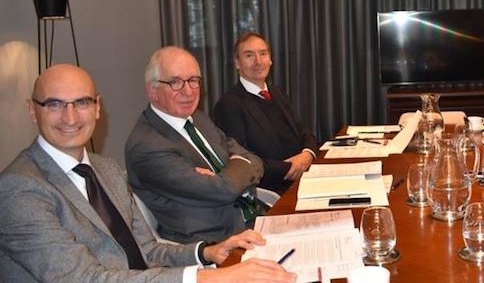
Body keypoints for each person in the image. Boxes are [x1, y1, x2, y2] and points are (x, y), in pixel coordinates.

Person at [0, 64, 296, 283]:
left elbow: (146, 250)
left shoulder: (106, 169)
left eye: (82, 102)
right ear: (32, 110)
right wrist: (210, 278)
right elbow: (82, 278)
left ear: (97, 108)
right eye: (54, 104)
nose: (70, 117)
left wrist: (208, 252)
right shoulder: (19, 188)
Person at [126, 46, 267, 244]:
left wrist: (226, 176)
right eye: (175, 82)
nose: (188, 91)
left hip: (254, 220)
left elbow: (253, 160)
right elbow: (222, 190)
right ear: (152, 91)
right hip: (215, 244)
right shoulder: (146, 146)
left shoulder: (198, 118)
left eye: (193, 80)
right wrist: (233, 172)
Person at [214, 32, 319, 194]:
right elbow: (243, 159)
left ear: (270, 59)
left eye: (263, 54)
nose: (258, 61)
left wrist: (308, 154)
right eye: (249, 55)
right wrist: (292, 168)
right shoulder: (229, 104)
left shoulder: (277, 92)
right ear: (237, 63)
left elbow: (304, 131)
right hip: (273, 189)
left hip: (304, 178)